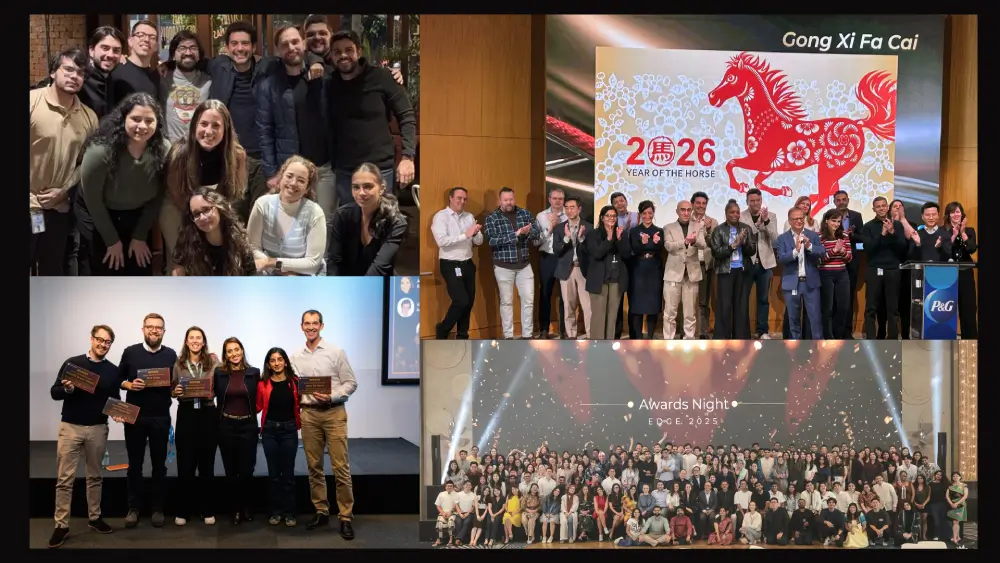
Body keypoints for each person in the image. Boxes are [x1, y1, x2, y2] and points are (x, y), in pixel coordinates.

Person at [78, 92, 169, 275]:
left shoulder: (164, 150)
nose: (142, 126)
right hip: (100, 214)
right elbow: (93, 201)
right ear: (123, 118)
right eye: (135, 119)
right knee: (108, 270)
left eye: (149, 121)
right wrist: (112, 241)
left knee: (139, 270)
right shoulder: (100, 151)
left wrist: (140, 235)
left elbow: (159, 196)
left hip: (139, 216)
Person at [324, 28, 416, 205]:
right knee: (351, 225)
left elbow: (407, 116)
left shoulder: (383, 78)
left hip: (380, 169)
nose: (343, 55)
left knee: (382, 223)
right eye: (337, 52)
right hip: (345, 171)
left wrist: (407, 157)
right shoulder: (328, 84)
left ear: (359, 51)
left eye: (349, 50)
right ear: (332, 56)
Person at [48, 325, 121, 548]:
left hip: (98, 428)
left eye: (107, 342)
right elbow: (54, 392)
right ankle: (61, 525)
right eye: (99, 340)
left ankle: (94, 518)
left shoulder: (113, 370)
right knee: (64, 478)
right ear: (91, 339)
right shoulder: (73, 363)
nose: (103, 344)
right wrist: (67, 390)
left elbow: (114, 399)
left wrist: (118, 413)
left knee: (95, 476)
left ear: (110, 345)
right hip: (70, 427)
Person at [29, 48, 99, 276]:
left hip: (58, 209)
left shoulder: (88, 116)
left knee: (52, 268)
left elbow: (87, 163)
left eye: (80, 73)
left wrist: (65, 191)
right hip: (28, 206)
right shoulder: (31, 102)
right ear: (52, 72)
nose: (74, 76)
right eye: (68, 69)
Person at [290, 310, 358, 539]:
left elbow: (351, 383)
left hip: (333, 413)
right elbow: (291, 385)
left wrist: (332, 396)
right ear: (301, 326)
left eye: (314, 323)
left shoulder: (335, 352)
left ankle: (346, 516)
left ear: (322, 325)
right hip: (309, 415)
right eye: (307, 324)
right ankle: (321, 511)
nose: (311, 327)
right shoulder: (295, 356)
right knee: (314, 467)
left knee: (341, 467)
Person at [162, 100, 250, 269]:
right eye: (203, 124)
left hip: (215, 207)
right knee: (184, 259)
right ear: (195, 125)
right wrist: (199, 220)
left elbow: (233, 195)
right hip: (179, 206)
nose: (208, 131)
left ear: (226, 130)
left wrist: (213, 220)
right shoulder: (180, 153)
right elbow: (177, 195)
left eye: (216, 126)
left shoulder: (237, 155)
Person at [118, 313, 178, 529]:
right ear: (143, 329)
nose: (154, 330)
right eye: (150, 327)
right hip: (134, 416)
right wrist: (129, 386)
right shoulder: (130, 352)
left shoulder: (171, 355)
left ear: (164, 331)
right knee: (135, 465)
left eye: (158, 327)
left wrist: (177, 390)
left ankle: (157, 508)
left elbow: (174, 386)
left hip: (161, 417)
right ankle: (133, 508)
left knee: (159, 466)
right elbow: (118, 380)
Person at [169, 326, 219, 526]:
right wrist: (176, 392)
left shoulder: (214, 362)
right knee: (185, 464)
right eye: (192, 338)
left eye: (199, 338)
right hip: (187, 413)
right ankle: (183, 510)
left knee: (207, 464)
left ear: (204, 341)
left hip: (208, 414)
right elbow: (172, 389)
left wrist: (212, 392)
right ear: (187, 341)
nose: (196, 341)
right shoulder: (178, 363)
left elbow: (221, 385)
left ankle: (207, 509)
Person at [247, 155, 327, 275]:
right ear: (281, 178)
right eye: (289, 176)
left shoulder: (315, 212)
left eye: (301, 180)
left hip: (301, 276)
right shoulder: (262, 204)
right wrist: (277, 270)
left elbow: (312, 263)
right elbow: (252, 247)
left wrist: (274, 263)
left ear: (307, 188)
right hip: (268, 272)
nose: (293, 183)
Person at [327, 162, 408, 276]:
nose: (361, 193)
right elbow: (334, 261)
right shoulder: (342, 215)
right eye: (356, 187)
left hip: (378, 282)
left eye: (368, 186)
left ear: (381, 189)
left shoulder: (396, 222)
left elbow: (380, 266)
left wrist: (361, 291)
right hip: (347, 283)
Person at [213, 337, 260, 525]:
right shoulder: (219, 373)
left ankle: (247, 506)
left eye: (237, 349)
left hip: (248, 426)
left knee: (247, 470)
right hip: (226, 426)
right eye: (229, 351)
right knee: (231, 471)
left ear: (242, 350)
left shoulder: (254, 372)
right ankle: (235, 509)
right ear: (225, 354)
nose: (234, 354)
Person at [484, 187, 541, 339]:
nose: (509, 202)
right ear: (499, 200)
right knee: (507, 302)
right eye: (505, 200)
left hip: (524, 265)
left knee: (528, 300)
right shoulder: (492, 218)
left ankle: (527, 335)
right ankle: (508, 336)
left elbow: (537, 234)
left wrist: (529, 232)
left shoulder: (525, 213)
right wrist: (516, 234)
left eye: (511, 199)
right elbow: (492, 241)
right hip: (503, 266)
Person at [256, 348, 301, 526]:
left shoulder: (296, 382)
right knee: (274, 474)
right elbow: (257, 406)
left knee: (288, 474)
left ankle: (290, 512)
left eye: (280, 359)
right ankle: (275, 512)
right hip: (269, 432)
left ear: (286, 362)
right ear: (268, 364)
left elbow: (304, 402)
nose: (276, 363)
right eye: (273, 360)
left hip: (289, 431)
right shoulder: (262, 384)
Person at [432, 187, 483, 339]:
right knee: (461, 300)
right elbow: (442, 241)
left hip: (467, 263)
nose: (462, 201)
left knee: (468, 303)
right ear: (451, 198)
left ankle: (462, 335)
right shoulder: (441, 217)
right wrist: (464, 235)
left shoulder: (469, 217)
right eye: (459, 198)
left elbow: (479, 242)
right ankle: (443, 329)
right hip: (450, 263)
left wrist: (476, 232)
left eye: (465, 199)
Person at [172, 188, 257, 275]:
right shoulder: (188, 241)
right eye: (196, 214)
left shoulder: (239, 242)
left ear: (219, 207)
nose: (202, 217)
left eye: (206, 210)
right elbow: (178, 271)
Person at [775, 207, 827, 339]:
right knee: (793, 320)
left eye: (801, 218)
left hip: (811, 284)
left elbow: (822, 252)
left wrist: (809, 246)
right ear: (790, 221)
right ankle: (795, 351)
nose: (799, 221)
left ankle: (818, 350)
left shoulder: (813, 235)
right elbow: (781, 258)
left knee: (815, 319)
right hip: (792, 283)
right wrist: (796, 251)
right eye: (795, 219)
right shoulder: (782, 238)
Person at [860, 196, 907, 339]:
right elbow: (868, 248)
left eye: (883, 205)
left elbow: (902, 247)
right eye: (878, 206)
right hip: (874, 269)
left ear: (888, 207)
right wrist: (882, 234)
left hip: (893, 269)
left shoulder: (897, 225)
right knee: (871, 307)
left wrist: (892, 233)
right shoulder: (868, 226)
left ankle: (892, 338)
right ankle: (871, 339)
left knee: (892, 307)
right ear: (873, 209)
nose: (881, 208)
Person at [710, 199, 757, 339]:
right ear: (726, 214)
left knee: (741, 307)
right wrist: (733, 246)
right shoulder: (719, 230)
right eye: (732, 212)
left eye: (737, 212)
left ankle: (741, 338)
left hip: (743, 272)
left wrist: (744, 244)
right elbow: (716, 252)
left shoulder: (746, 228)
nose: (735, 215)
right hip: (725, 272)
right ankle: (722, 338)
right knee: (724, 307)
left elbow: (752, 250)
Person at [663, 200, 708, 339]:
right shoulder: (668, 227)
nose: (686, 213)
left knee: (690, 313)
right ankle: (668, 341)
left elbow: (703, 244)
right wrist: (685, 242)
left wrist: (693, 241)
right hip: (673, 274)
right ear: (677, 211)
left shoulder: (698, 226)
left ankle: (689, 340)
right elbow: (668, 246)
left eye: (689, 210)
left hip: (692, 275)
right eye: (683, 210)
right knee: (670, 313)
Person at [587, 205, 633, 339]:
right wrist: (608, 239)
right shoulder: (593, 234)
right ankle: (597, 346)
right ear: (602, 218)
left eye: (614, 216)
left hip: (616, 280)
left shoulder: (621, 233)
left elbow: (626, 254)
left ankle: (609, 346)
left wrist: (618, 240)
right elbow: (597, 253)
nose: (611, 218)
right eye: (608, 215)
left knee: (612, 317)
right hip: (599, 280)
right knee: (599, 316)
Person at [553, 196, 593, 339]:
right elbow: (556, 250)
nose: (569, 211)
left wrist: (581, 239)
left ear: (579, 209)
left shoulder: (588, 227)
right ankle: (571, 335)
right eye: (567, 208)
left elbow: (592, 250)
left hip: (584, 270)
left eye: (572, 207)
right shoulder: (559, 228)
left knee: (587, 306)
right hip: (566, 271)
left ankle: (590, 335)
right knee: (568, 305)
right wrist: (566, 239)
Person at [740, 189, 778, 339]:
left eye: (757, 200)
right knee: (743, 299)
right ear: (747, 201)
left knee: (763, 299)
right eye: (752, 201)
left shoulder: (771, 216)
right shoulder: (741, 216)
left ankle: (762, 331)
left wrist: (766, 222)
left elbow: (775, 239)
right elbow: (743, 237)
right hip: (747, 263)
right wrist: (757, 225)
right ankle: (743, 330)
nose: (755, 203)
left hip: (765, 264)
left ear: (761, 200)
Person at [534, 188, 568, 339]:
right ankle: (544, 329)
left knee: (565, 295)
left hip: (564, 257)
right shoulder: (541, 216)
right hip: (547, 257)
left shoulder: (569, 215)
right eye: (554, 198)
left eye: (560, 199)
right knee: (545, 293)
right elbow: (535, 241)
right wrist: (551, 227)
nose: (557, 201)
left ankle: (564, 329)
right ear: (549, 199)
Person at [628, 201, 664, 339]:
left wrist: (655, 243)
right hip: (638, 270)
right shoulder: (634, 231)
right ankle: (637, 337)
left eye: (650, 213)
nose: (647, 216)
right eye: (644, 213)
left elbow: (660, 249)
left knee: (653, 306)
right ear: (640, 214)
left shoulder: (659, 230)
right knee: (637, 306)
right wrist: (645, 243)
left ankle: (650, 337)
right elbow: (634, 250)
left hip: (654, 270)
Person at [832, 190, 865, 338]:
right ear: (834, 202)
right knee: (833, 299)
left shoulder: (856, 216)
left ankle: (847, 331)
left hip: (851, 261)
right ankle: (833, 331)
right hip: (833, 261)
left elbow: (862, 238)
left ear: (848, 200)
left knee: (848, 297)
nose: (841, 202)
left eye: (843, 199)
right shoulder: (830, 216)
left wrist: (852, 235)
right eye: (838, 200)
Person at [943, 201, 978, 338]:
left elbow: (971, 249)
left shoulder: (969, 231)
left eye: (958, 211)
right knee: (946, 309)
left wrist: (962, 233)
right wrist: (952, 236)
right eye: (952, 212)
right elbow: (944, 251)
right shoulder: (943, 231)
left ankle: (970, 343)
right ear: (948, 215)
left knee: (968, 309)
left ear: (962, 214)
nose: (956, 214)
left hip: (965, 272)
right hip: (947, 274)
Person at [818, 208, 853, 338]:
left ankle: (838, 336)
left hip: (842, 274)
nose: (836, 224)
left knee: (843, 308)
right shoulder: (819, 236)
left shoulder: (844, 236)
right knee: (827, 309)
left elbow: (849, 258)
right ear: (826, 221)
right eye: (834, 221)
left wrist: (842, 251)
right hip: (825, 274)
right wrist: (834, 250)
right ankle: (828, 336)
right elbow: (819, 259)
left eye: (838, 221)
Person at [111, 21, 160, 104]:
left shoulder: (157, 76)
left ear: (156, 46)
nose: (146, 39)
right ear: (130, 41)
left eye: (152, 37)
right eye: (140, 35)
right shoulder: (115, 71)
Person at [433, 481, 458, 546]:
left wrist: (451, 512)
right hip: (443, 513)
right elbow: (438, 505)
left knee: (451, 522)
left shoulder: (456, 494)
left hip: (452, 513)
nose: (449, 487)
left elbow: (457, 506)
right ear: (445, 487)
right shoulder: (441, 494)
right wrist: (443, 513)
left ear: (453, 487)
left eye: (451, 486)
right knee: (439, 523)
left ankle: (450, 540)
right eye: (448, 486)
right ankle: (438, 540)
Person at [947, 471, 968, 544]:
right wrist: (951, 504)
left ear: (960, 477)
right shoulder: (950, 486)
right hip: (952, 505)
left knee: (956, 521)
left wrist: (956, 503)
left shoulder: (964, 485)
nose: (955, 477)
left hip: (960, 505)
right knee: (956, 522)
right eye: (953, 476)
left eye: (957, 476)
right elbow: (947, 496)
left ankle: (955, 538)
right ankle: (957, 537)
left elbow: (965, 496)